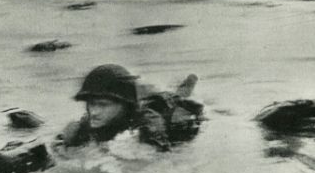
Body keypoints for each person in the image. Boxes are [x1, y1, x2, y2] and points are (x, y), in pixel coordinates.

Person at [52, 64, 205, 153]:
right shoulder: (88, 122)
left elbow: (160, 163)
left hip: (171, 115)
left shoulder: (149, 124)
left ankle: (190, 81)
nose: (94, 112)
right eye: (91, 103)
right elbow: (59, 147)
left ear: (124, 105)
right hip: (138, 102)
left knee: (179, 97)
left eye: (103, 105)